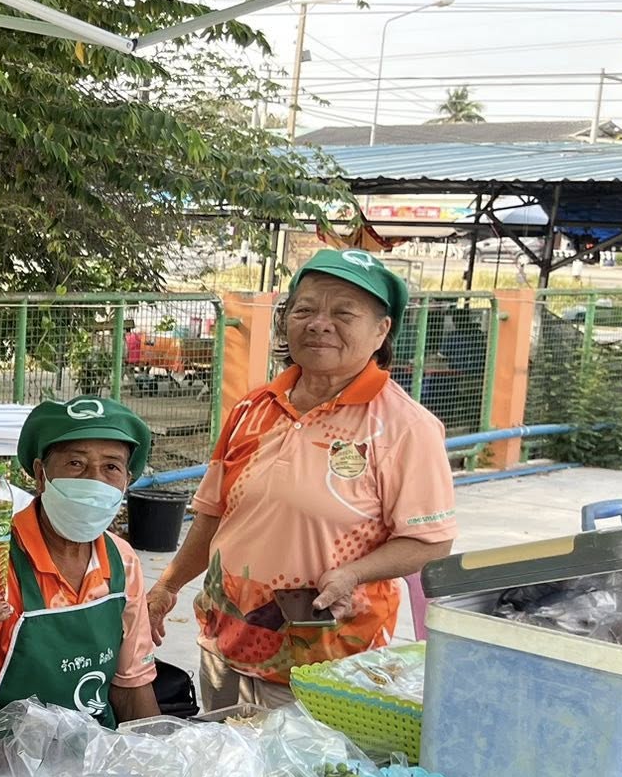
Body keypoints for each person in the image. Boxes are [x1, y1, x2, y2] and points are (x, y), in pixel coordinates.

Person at [146, 248, 457, 713]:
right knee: (223, 754)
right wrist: (168, 586)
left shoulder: (405, 427)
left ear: (381, 331)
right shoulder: (253, 408)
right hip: (224, 645)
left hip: (326, 666)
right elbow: (214, 514)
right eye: (304, 309)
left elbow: (431, 542)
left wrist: (353, 574)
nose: (319, 324)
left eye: (343, 313)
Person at [0, 396, 161, 739]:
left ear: (127, 481)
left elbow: (130, 686)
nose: (94, 480)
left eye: (111, 467)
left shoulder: (122, 563)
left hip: (88, 752)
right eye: (75, 463)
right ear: (41, 475)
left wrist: (160, 758)